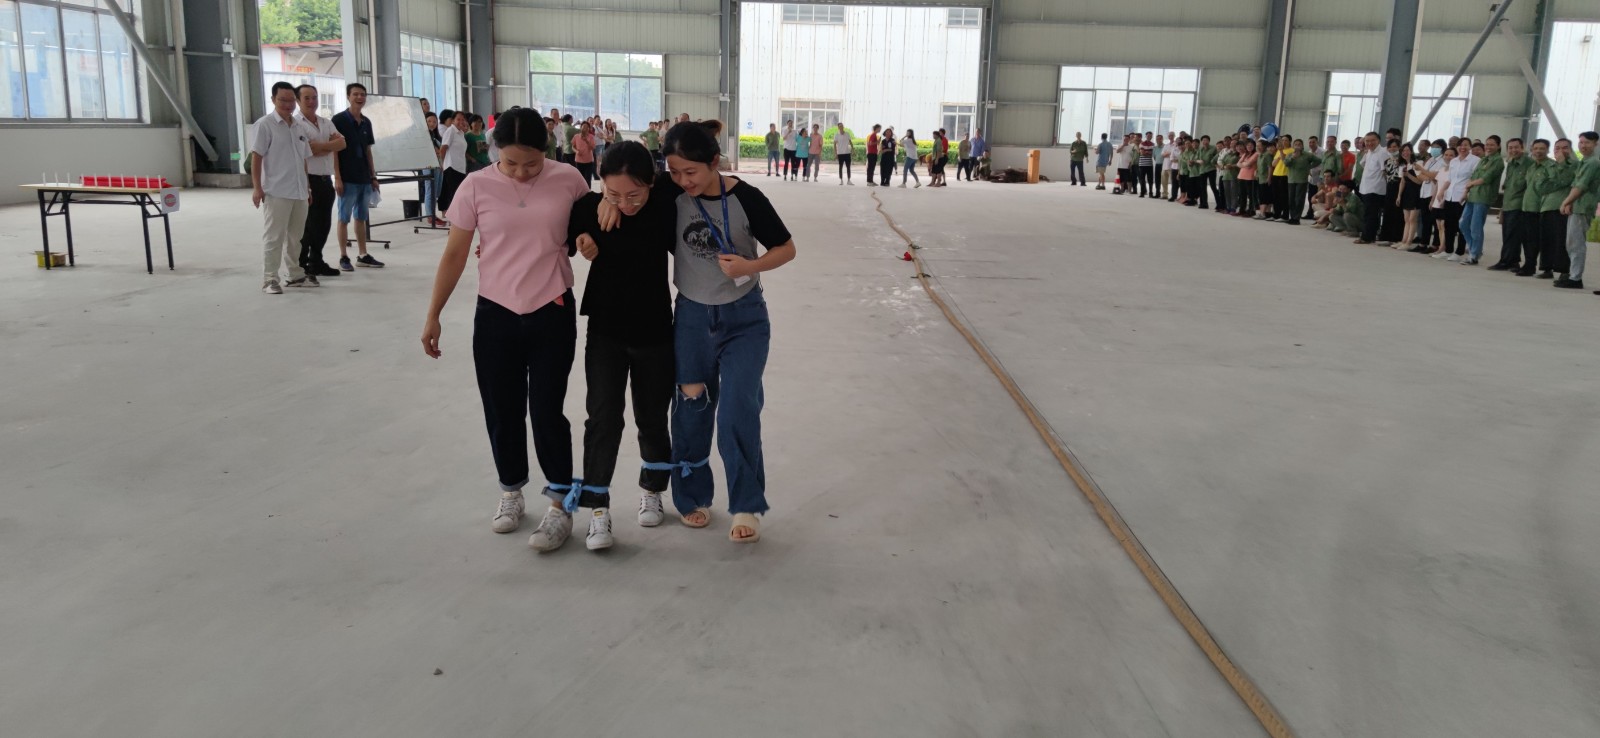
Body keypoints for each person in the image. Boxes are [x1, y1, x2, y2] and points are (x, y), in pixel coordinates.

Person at [596, 121, 797, 543]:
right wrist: (606, 200)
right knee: (692, 406)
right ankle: (692, 497)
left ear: (714, 162)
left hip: (745, 319)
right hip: (690, 317)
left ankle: (746, 504)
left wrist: (751, 266)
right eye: (674, 172)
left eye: (691, 172)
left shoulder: (746, 198)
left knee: (738, 408)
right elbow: (630, 191)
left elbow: (786, 248)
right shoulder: (670, 195)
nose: (683, 180)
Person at [422, 108, 595, 552]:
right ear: (496, 149)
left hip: (551, 309)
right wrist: (434, 313)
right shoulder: (475, 186)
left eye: (531, 164)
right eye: (511, 162)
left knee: (546, 410)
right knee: (502, 409)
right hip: (496, 313)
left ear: (547, 150)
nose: (520, 172)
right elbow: (455, 253)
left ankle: (560, 503)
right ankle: (511, 489)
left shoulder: (569, 180)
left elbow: (588, 226)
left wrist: (588, 238)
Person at [555, 141, 679, 546]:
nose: (625, 204)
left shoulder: (666, 203)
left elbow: (687, 177)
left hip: (655, 331)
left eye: (634, 195)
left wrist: (620, 199)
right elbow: (571, 230)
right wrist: (584, 235)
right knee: (603, 418)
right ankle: (597, 509)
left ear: (652, 183)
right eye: (615, 194)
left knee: (652, 417)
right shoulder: (590, 207)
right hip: (606, 331)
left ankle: (652, 489)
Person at [250, 82, 316, 294]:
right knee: (274, 237)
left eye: (291, 100)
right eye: (282, 100)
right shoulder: (265, 125)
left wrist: (307, 187)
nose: (288, 105)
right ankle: (270, 279)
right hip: (276, 191)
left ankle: (295, 275)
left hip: (299, 191)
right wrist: (257, 188)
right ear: (273, 100)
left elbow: (303, 159)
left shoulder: (298, 126)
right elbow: (256, 157)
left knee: (296, 237)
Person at [292, 84, 345, 279]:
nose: (311, 101)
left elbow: (342, 143)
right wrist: (329, 146)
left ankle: (316, 261)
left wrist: (320, 147)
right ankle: (301, 264)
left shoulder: (325, 122)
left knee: (323, 224)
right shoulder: (296, 124)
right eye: (306, 98)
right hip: (308, 180)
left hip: (325, 180)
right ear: (298, 101)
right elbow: (307, 150)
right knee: (308, 226)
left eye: (314, 97)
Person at [330, 83, 383, 270]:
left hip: (364, 178)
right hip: (347, 178)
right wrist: (337, 177)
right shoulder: (338, 120)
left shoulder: (366, 122)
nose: (359, 97)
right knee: (344, 218)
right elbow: (334, 151)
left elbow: (368, 151)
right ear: (348, 96)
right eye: (355, 94)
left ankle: (363, 254)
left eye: (362, 94)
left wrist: (373, 176)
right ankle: (344, 256)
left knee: (361, 217)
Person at [1555, 131, 1599, 290]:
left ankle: (1575, 278)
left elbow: (1581, 186)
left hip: (1583, 207)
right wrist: (1570, 203)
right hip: (1577, 205)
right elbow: (1575, 184)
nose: (1583, 145)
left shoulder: (1593, 163)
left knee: (1576, 243)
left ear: (1595, 144)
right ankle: (1573, 275)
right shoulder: (1584, 161)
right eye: (1581, 142)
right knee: (1572, 242)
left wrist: (1565, 201)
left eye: (1587, 142)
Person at [1533, 138, 1577, 280]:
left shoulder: (1575, 165)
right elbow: (1541, 186)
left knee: (1562, 240)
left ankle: (1564, 269)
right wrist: (1557, 182)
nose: (1561, 151)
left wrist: (1562, 166)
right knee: (1546, 240)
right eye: (1557, 148)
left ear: (1570, 149)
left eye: (1565, 147)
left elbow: (1567, 179)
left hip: (1563, 206)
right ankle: (1547, 268)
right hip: (1546, 206)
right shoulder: (1549, 165)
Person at [1458, 135, 1503, 265]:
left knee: (1475, 226)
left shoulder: (1498, 161)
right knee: (1463, 223)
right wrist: (1466, 192)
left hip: (1483, 197)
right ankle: (1475, 248)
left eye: (1492, 145)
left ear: (1498, 146)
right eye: (1487, 144)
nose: (1489, 147)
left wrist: (1470, 184)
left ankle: (1474, 255)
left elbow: (1486, 178)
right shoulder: (1483, 160)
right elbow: (1474, 176)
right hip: (1472, 196)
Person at [1488, 138, 1531, 270]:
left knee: (1512, 234)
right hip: (1508, 203)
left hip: (1519, 204)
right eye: (1510, 148)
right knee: (1507, 234)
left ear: (1522, 147)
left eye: (1516, 147)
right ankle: (1512, 261)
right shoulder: (1511, 163)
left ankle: (1506, 261)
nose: (1513, 150)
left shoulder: (1528, 163)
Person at [1353, 132, 1390, 245]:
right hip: (1366, 186)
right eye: (1367, 141)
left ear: (1378, 141)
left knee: (1371, 214)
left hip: (1376, 188)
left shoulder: (1382, 153)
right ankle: (1370, 235)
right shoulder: (1368, 152)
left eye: (1372, 140)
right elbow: (1363, 164)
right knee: (1369, 213)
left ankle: (1367, 237)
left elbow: (1385, 171)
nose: (1369, 143)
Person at [437, 108, 471, 220]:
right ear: (453, 120)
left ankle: (451, 212)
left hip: (460, 167)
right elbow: (443, 148)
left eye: (463, 119)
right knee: (452, 191)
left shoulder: (461, 133)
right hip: (451, 166)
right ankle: (451, 214)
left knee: (455, 191)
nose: (461, 121)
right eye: (458, 119)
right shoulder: (450, 131)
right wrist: (442, 163)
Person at [572, 120, 597, 187]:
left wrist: (587, 141)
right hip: (579, 161)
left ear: (589, 128)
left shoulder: (591, 137)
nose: (585, 128)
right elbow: (573, 147)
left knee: (588, 179)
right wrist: (576, 151)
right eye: (583, 126)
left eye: (587, 127)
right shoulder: (576, 136)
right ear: (581, 127)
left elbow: (593, 148)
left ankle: (588, 192)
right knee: (580, 179)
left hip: (589, 161)